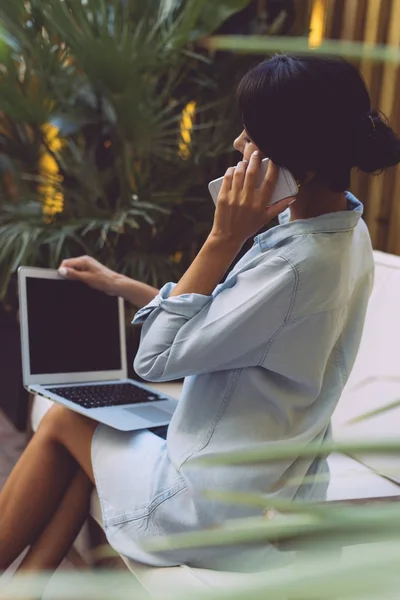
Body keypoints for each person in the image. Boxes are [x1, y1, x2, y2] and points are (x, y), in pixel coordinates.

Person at [1, 54, 400, 576]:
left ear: (293, 163)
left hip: (206, 509)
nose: (238, 144)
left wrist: (221, 239)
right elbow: (236, 322)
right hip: (266, 488)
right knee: (93, 436)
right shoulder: (347, 234)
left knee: (64, 419)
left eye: (252, 136)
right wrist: (125, 286)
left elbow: (155, 357)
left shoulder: (292, 264)